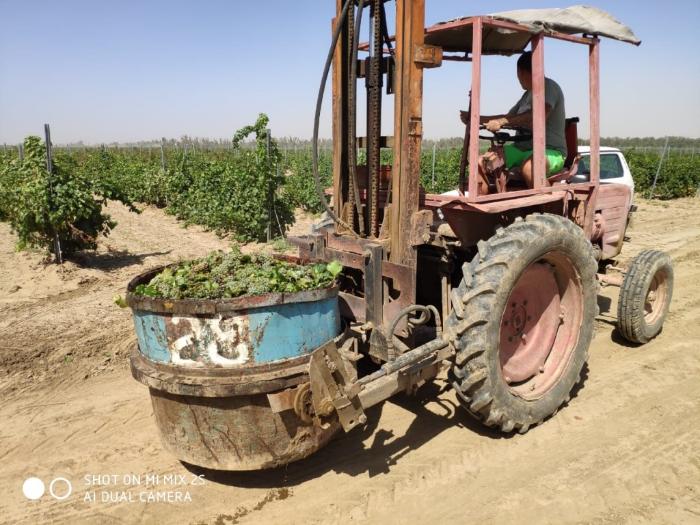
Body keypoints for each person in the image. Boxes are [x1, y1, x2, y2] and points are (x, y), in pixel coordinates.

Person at [460, 51, 567, 188]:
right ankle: (483, 205)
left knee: (530, 168)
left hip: (550, 151)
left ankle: (547, 207)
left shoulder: (549, 87)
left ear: (521, 72)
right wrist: (475, 118)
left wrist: (501, 123)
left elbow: (536, 116)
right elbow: (508, 118)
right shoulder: (526, 95)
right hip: (521, 149)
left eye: (518, 74)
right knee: (482, 163)